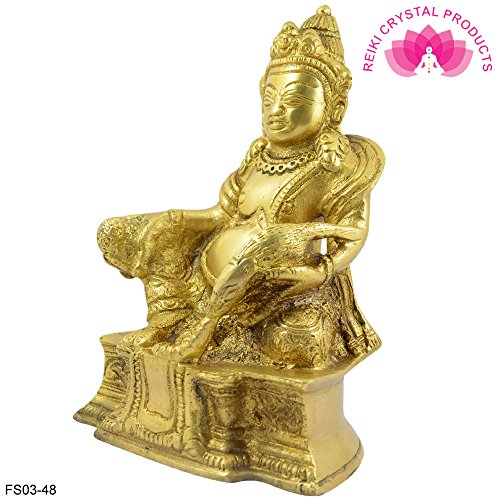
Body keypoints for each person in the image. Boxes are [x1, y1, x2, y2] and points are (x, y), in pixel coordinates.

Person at [97, 6, 384, 369]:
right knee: (148, 234)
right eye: (269, 99)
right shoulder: (259, 155)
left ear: (335, 108)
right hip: (206, 275)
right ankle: (169, 323)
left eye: (294, 101)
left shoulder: (338, 164)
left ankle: (206, 332)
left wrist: (321, 271)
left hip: (278, 290)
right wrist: (171, 223)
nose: (276, 111)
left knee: (298, 343)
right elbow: (223, 215)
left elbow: (352, 234)